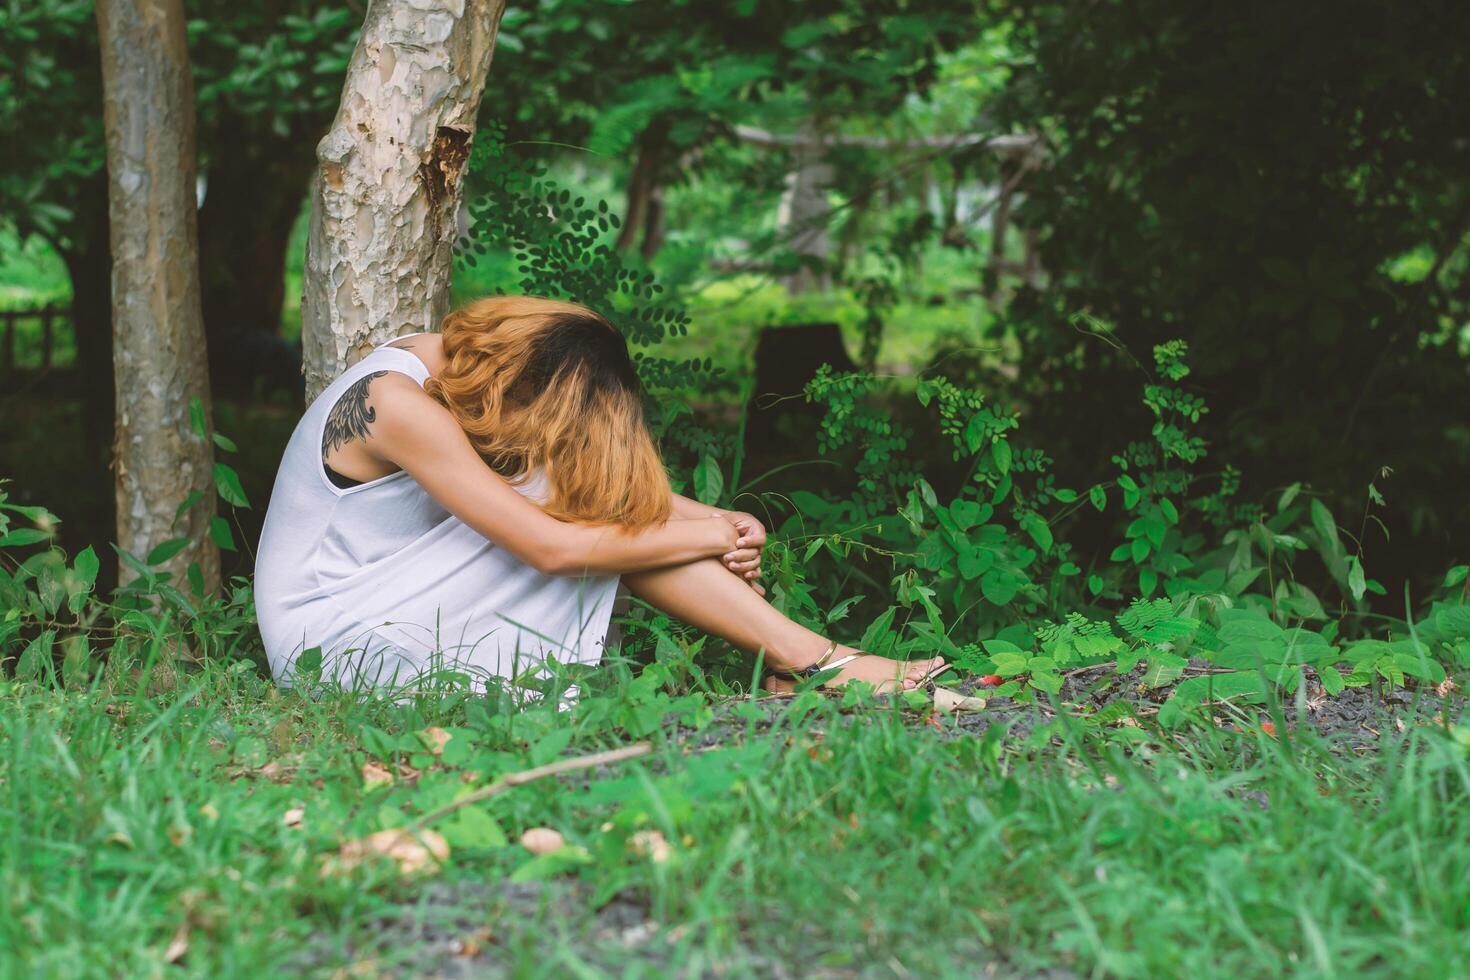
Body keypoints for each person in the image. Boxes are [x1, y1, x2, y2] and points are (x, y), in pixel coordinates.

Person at [254, 295, 944, 693]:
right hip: (332, 646)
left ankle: (806, 660)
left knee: (560, 489)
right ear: (526, 386)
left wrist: (724, 518)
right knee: (563, 513)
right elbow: (550, 547)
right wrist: (707, 535)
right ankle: (816, 663)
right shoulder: (396, 403)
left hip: (387, 598)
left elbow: (558, 475)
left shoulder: (466, 369)